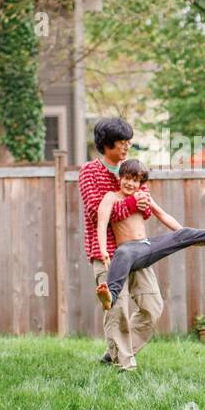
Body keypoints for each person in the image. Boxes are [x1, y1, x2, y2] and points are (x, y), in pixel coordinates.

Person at [95, 158, 205, 310]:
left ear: (140, 183)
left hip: (147, 246)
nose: (130, 183)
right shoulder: (111, 197)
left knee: (183, 232)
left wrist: (186, 237)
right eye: (126, 178)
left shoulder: (143, 196)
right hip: (129, 250)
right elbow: (101, 223)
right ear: (120, 177)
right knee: (122, 252)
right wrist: (103, 250)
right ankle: (110, 298)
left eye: (135, 181)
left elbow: (163, 215)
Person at [78, 117, 160, 371]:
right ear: (106, 143)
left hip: (136, 250)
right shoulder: (90, 172)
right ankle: (125, 366)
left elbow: (143, 211)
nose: (126, 147)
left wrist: (143, 204)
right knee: (117, 309)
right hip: (107, 254)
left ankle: (114, 352)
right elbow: (94, 212)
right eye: (122, 143)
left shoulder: (130, 169)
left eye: (129, 143)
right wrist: (133, 203)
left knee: (152, 307)